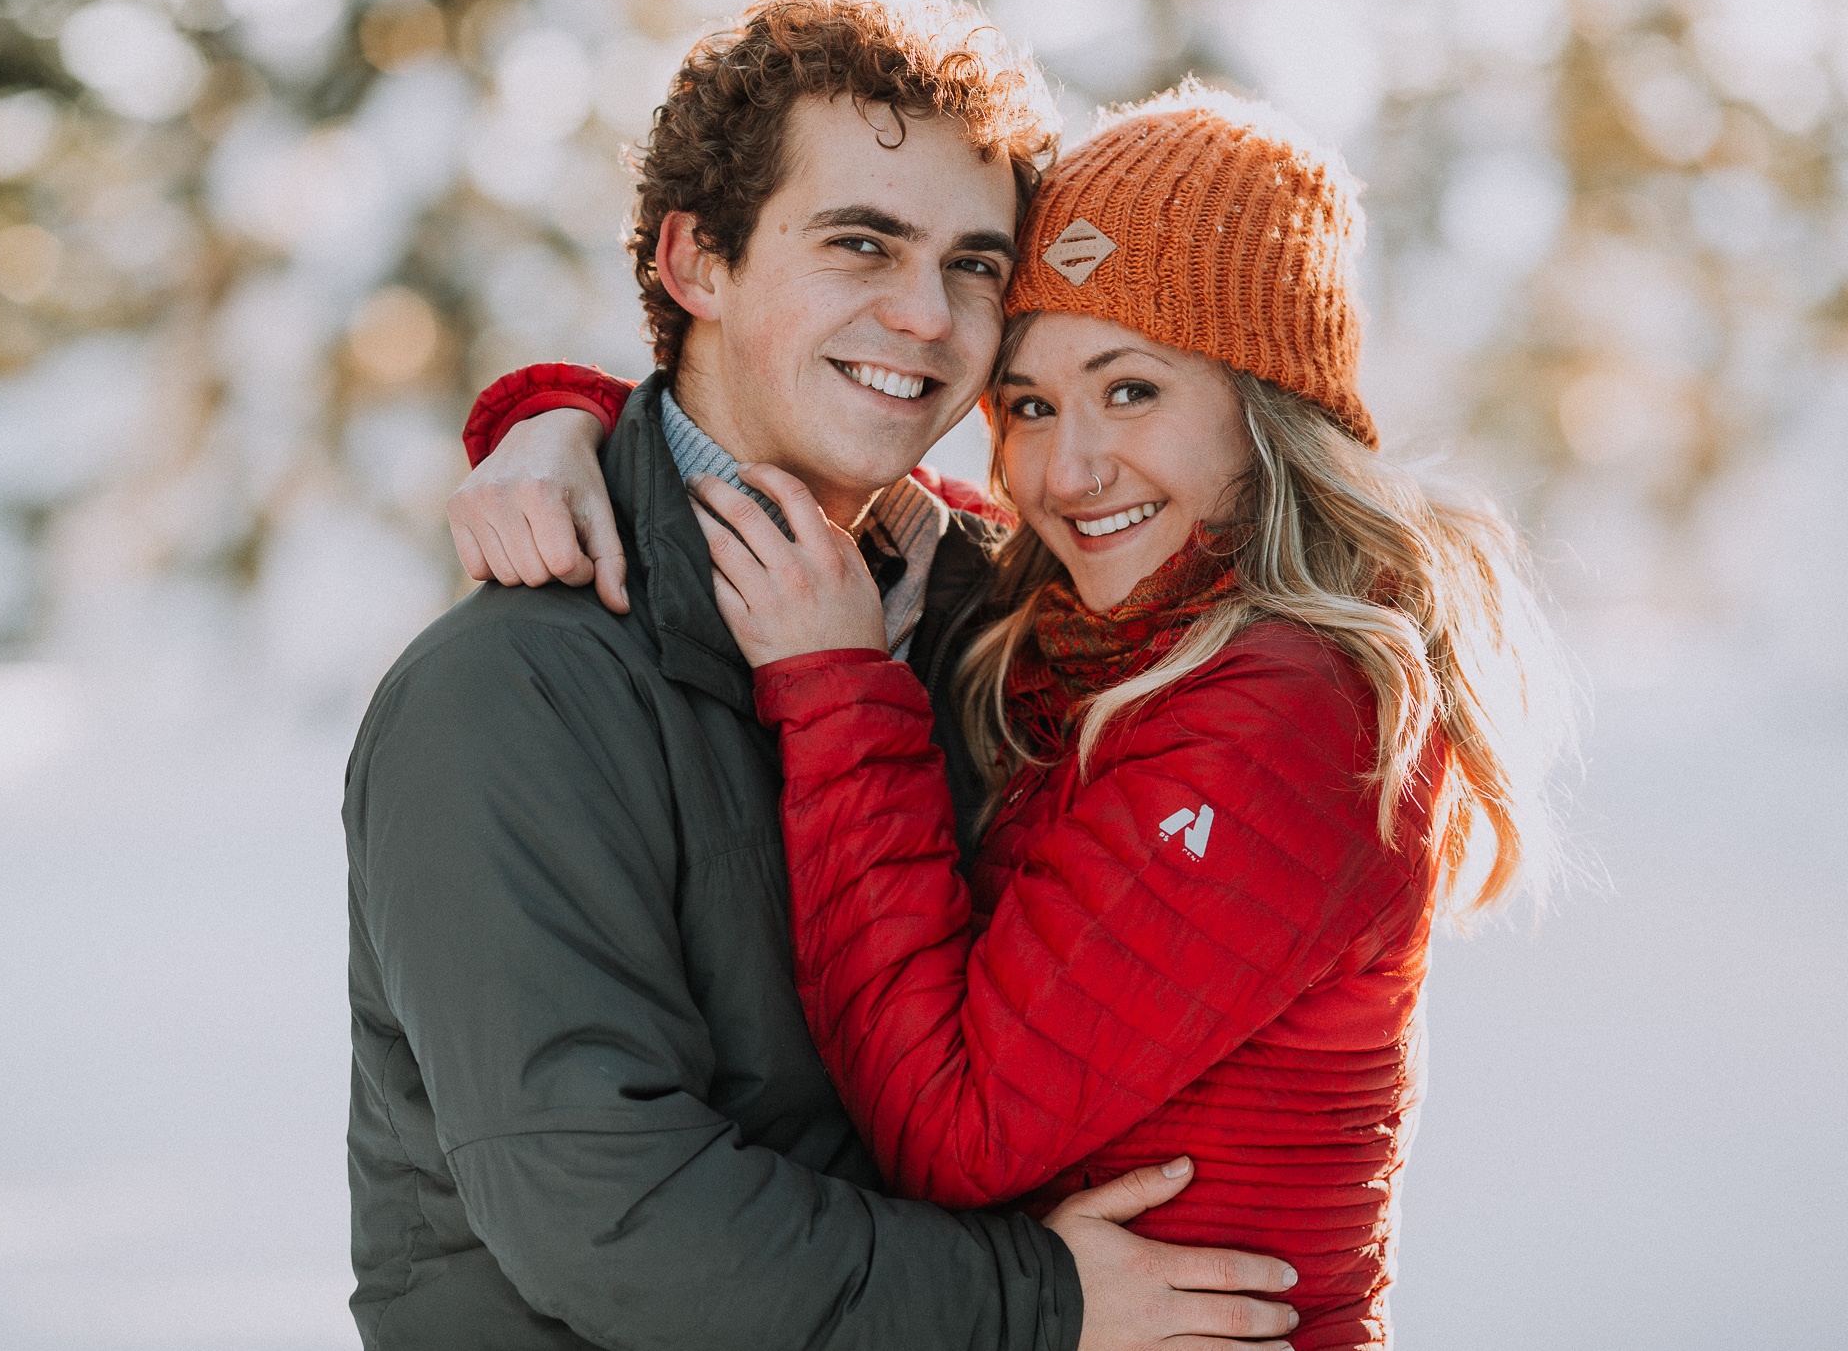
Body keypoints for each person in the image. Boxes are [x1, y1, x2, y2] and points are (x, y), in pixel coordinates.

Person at [451, 87, 1568, 1349]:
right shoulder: (1080, 626)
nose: (1067, 471)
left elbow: (953, 1129)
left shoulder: (1289, 711)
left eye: (1130, 390)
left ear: (1268, 412)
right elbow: (780, 445)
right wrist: (561, 422)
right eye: (1028, 405)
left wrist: (832, 693)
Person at [345, 0, 1299, 1350]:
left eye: (975, 264)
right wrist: (1039, 1300)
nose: (925, 315)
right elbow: (607, 1216)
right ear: (698, 261)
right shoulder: (512, 691)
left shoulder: (1008, 620)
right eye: (863, 243)